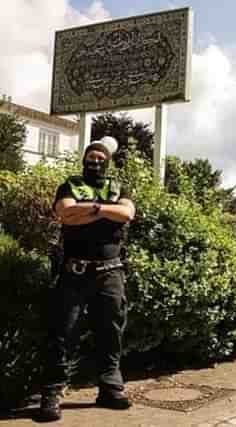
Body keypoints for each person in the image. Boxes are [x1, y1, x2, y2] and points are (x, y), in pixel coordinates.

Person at [39, 137, 135, 422]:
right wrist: (104, 210)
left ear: (108, 162)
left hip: (111, 272)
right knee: (64, 332)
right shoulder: (69, 184)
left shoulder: (119, 187)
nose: (95, 162)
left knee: (111, 332)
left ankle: (110, 389)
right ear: (83, 160)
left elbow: (126, 213)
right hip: (75, 272)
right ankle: (53, 394)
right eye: (91, 158)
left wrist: (89, 209)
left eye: (100, 159)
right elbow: (65, 214)